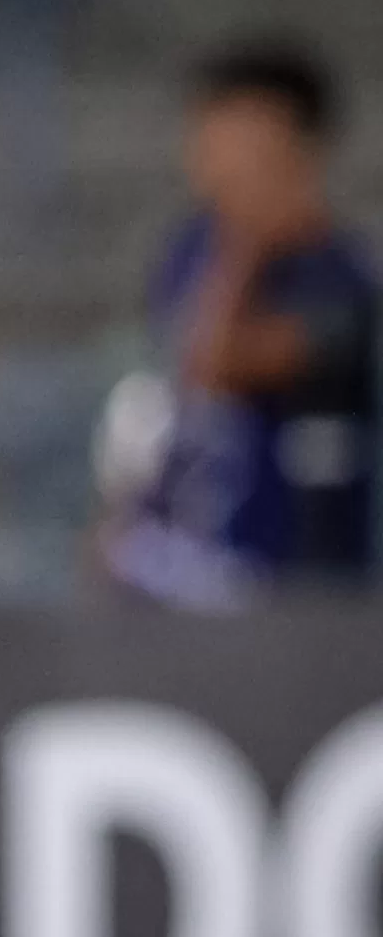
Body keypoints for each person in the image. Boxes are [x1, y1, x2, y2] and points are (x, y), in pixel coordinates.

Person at [97, 43, 376, 608]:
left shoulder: (343, 277)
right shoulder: (189, 255)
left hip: (295, 574)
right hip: (183, 559)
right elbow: (179, 386)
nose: (216, 163)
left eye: (243, 146)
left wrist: (245, 242)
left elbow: (220, 362)